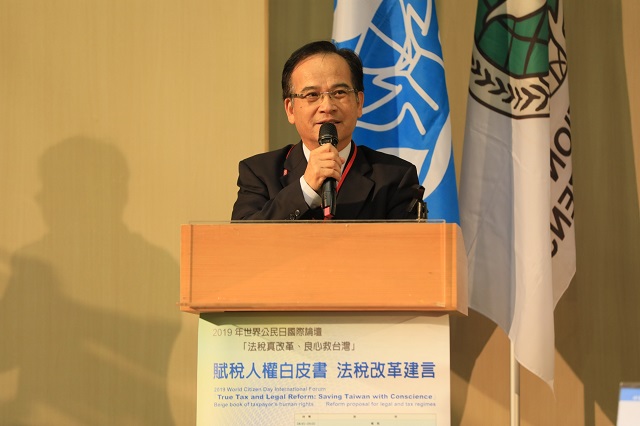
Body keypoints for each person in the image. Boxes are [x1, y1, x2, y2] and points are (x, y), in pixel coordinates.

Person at [231, 40, 421, 221]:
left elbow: (407, 243)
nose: (327, 106)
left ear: (359, 103)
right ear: (290, 109)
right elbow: (243, 238)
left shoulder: (396, 177)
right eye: (312, 95)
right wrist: (306, 188)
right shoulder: (259, 173)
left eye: (339, 92)